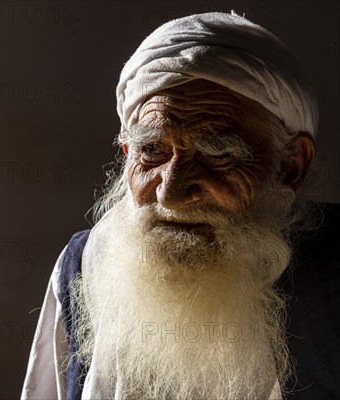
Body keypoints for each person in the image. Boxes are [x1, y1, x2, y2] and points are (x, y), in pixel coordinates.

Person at [21, 11, 339, 400]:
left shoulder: (331, 274)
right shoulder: (84, 269)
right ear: (127, 153)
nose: (170, 193)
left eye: (218, 152)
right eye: (151, 150)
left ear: (290, 166)